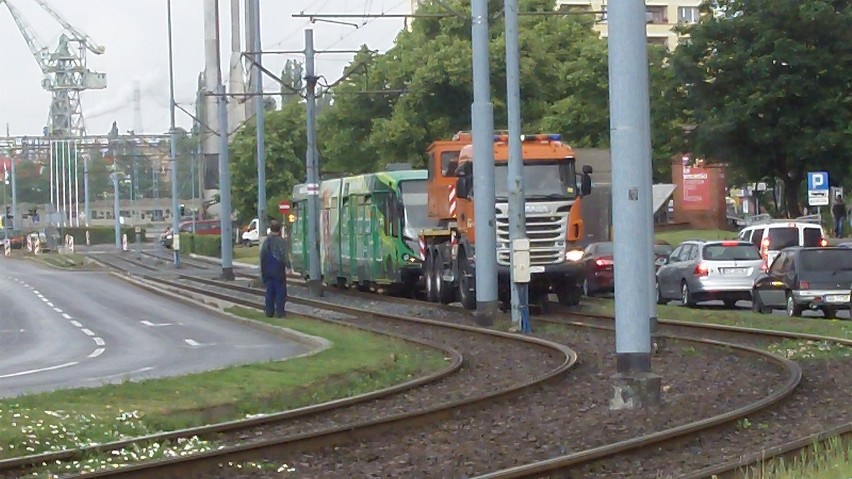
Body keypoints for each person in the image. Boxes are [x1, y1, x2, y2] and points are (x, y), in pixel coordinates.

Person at [259, 220, 291, 318]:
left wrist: (263, 272)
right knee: (280, 292)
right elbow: (284, 255)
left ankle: (269, 312)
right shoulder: (281, 242)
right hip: (278, 269)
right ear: (279, 229)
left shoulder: (266, 242)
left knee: (269, 292)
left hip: (267, 269)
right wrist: (288, 267)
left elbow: (262, 257)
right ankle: (280, 313)